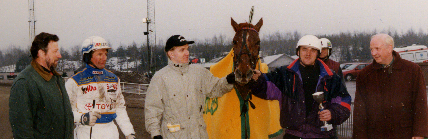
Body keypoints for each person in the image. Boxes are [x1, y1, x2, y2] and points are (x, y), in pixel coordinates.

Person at [251, 35, 351, 139]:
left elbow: (345, 103)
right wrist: (256, 79)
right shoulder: (284, 74)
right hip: (293, 135)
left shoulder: (331, 78)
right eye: (304, 49)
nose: (308, 54)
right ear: (298, 52)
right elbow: (265, 87)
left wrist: (332, 113)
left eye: (313, 50)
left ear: (318, 53)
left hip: (323, 135)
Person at [144, 35, 236, 139]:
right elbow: (152, 109)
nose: (187, 53)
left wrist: (228, 81)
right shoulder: (160, 78)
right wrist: (155, 133)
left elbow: (216, 88)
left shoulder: (199, 72)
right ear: (171, 54)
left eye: (187, 49)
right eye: (182, 50)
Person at [353, 33, 428, 139]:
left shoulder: (412, 70)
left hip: (404, 133)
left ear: (389, 48)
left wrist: (419, 133)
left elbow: (420, 104)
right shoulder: (365, 75)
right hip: (375, 134)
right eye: (371, 49)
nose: (373, 53)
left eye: (377, 48)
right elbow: (359, 112)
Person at [65, 36, 136, 139]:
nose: (104, 58)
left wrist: (129, 133)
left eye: (106, 54)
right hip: (86, 132)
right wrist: (82, 118)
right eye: (100, 54)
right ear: (88, 56)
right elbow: (66, 112)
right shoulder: (74, 81)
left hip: (111, 132)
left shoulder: (113, 78)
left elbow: (119, 108)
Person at [9, 32, 74, 138]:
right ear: (41, 53)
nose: (59, 55)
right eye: (55, 51)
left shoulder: (56, 78)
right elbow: (22, 130)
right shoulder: (25, 82)